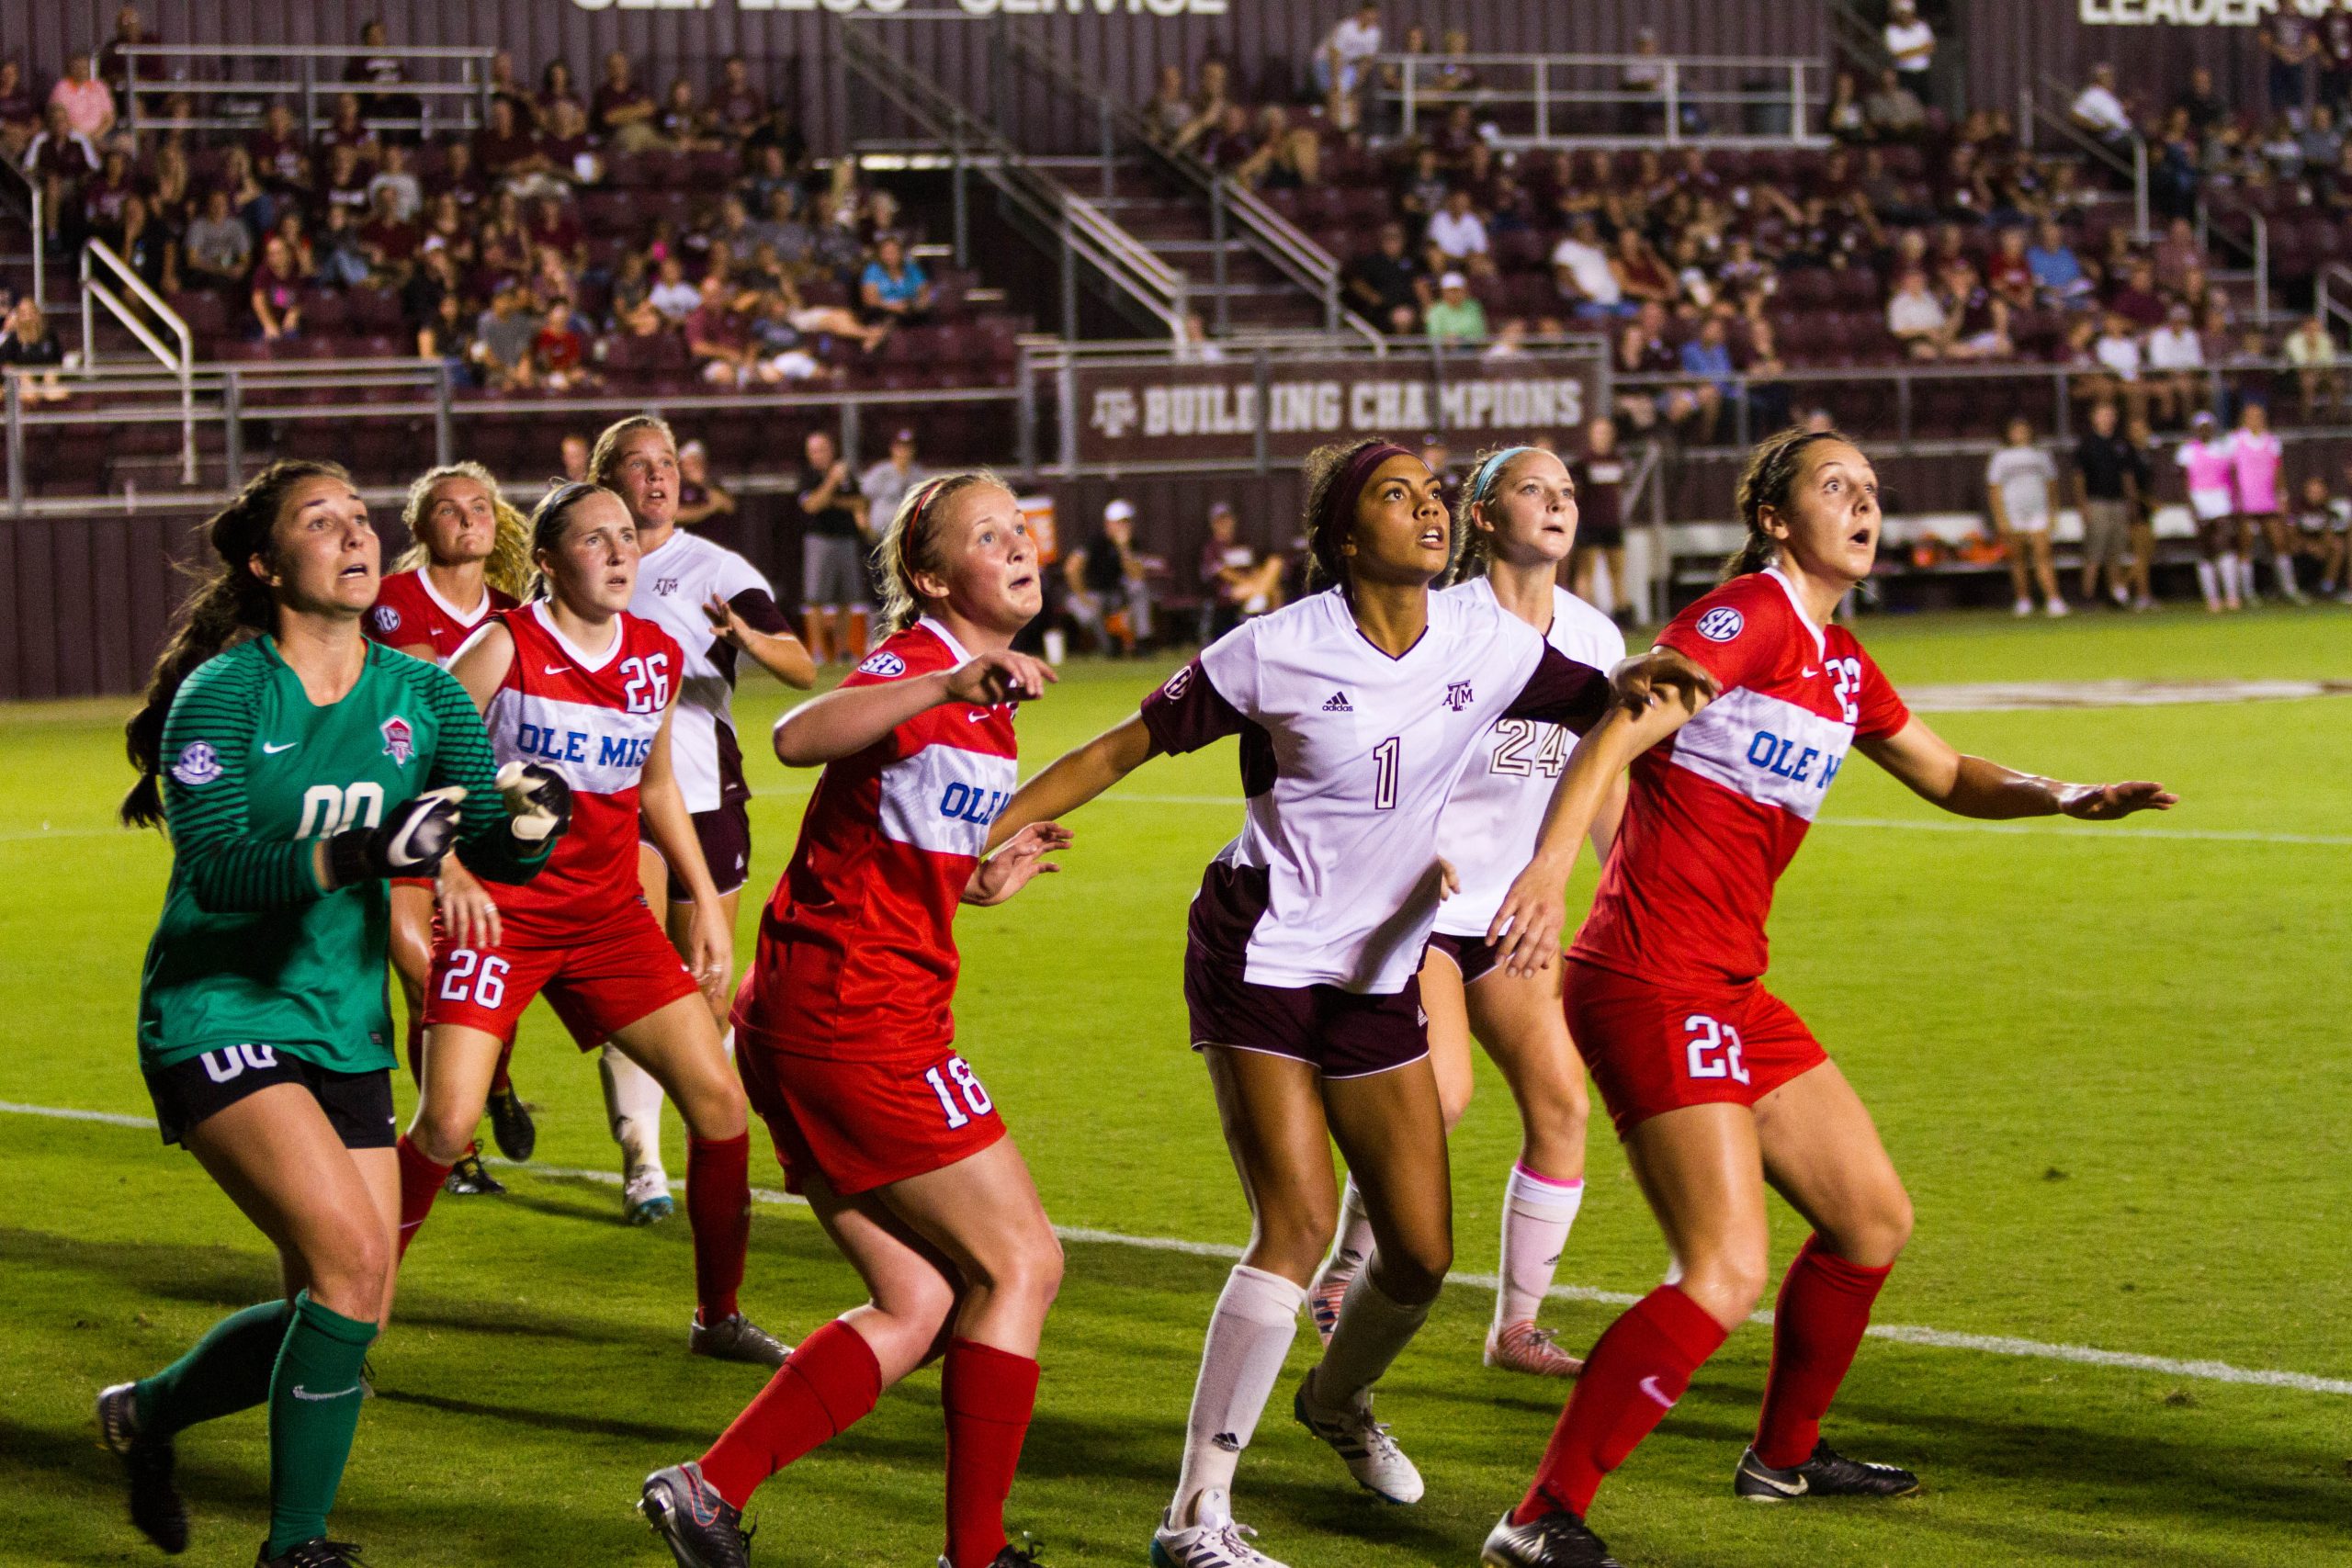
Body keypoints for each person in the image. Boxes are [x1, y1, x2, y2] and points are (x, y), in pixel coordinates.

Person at [1477, 426, 2177, 1568]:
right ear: (1773, 517)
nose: (1862, 503)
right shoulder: (1747, 616)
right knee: (1721, 1272)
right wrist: (1550, 870)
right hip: (1650, 977)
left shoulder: (1839, 664)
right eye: (1833, 485)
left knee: (1868, 1219)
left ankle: (1783, 1458)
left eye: (1871, 488)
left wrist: (2062, 795)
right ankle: (1540, 1514)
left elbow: (1947, 773)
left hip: (1729, 984)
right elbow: (1621, 725)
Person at [982, 439, 1684, 1568]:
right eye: (1394, 498)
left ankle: (1335, 1405)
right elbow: (1125, 745)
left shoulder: (1487, 639)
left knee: (1415, 1254)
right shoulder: (1275, 648)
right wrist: (993, 827)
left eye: (1431, 495)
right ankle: (1195, 1516)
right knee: (1301, 1224)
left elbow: (1604, 703)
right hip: (1259, 950)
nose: (1427, 510)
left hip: (1380, 965)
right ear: (1346, 539)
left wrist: (1656, 680)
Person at [100, 459, 562, 1568]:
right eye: (322, 521)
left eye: (360, 517)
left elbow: (486, 840)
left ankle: (149, 1416)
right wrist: (363, 851)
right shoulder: (226, 693)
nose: (354, 534)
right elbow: (215, 869)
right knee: (353, 1268)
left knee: (351, 1305)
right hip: (217, 1011)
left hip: (339, 1023)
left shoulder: (425, 695)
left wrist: (530, 821)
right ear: (267, 565)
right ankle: (295, 1548)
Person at [639, 471, 1071, 1568]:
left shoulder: (973, 690)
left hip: (816, 1011)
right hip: (859, 1020)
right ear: (928, 576)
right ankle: (974, 1556)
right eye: (987, 535)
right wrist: (943, 682)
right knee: (1021, 1266)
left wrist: (972, 881)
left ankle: (706, 1490)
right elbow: (797, 733)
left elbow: (888, 831)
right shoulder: (921, 665)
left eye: (1019, 528)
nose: (1018, 544)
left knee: (920, 1297)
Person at [393, 479, 789, 1368]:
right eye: (594, 539)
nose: (619, 552)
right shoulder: (503, 647)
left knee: (722, 1105)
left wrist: (705, 906)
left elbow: (654, 788)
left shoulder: (653, 653)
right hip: (503, 917)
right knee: (446, 1124)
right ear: (545, 559)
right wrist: (450, 867)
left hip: (609, 921)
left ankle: (717, 1318)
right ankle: (350, 1308)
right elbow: (411, 766)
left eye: (626, 537)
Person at [1306, 446, 1626, 1382]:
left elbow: (1600, 779)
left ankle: (1516, 1327)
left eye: (1568, 492)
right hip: (1420, 908)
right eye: (1534, 489)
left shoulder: (1595, 637)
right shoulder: (1437, 621)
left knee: (1563, 1102)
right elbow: (1376, 745)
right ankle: (1342, 1273)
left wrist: (1627, 892)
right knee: (1438, 1098)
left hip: (1514, 912)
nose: (1559, 504)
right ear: (1481, 517)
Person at [593, 416, 816, 1225]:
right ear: (605, 478)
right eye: (638, 464)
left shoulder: (716, 568)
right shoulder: (585, 563)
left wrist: (747, 635)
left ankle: (704, 1145)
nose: (658, 476)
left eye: (668, 463)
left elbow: (801, 666)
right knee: (635, 977)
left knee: (707, 990)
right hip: (614, 798)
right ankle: (642, 1159)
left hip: (703, 792)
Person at [364, 463, 537, 1194]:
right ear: (419, 525)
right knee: (423, 975)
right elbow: (433, 698)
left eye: (479, 507)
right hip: (404, 807)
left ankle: (494, 1081)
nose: (468, 519)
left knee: (490, 968)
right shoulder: (394, 601)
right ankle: (458, 1143)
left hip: (485, 817)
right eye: (448, 508)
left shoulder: (515, 609)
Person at [797, 428, 870, 664]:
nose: (817, 455)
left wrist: (832, 499)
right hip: (819, 540)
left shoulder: (846, 474)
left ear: (831, 450)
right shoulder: (809, 476)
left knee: (846, 598)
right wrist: (831, 483)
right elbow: (812, 505)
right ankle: (818, 651)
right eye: (813, 451)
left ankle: (842, 650)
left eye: (821, 450)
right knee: (816, 598)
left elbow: (860, 501)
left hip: (846, 539)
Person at [1986, 418, 2067, 617]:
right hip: (2014, 512)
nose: (2020, 433)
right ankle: (2023, 599)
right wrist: (2000, 518)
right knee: (2018, 558)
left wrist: (2052, 513)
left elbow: (2052, 486)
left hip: (2037, 511)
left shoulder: (2041, 454)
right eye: (2016, 429)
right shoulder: (2001, 457)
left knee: (2043, 554)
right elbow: (1995, 489)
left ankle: (2053, 599)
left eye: (2024, 429)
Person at [2073, 401, 2143, 611]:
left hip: (2118, 502)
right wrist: (2082, 504)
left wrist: (2131, 501)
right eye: (2102, 414)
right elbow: (2079, 478)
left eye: (2110, 414)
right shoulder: (2087, 444)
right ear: (2094, 418)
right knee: (2095, 550)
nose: (2107, 419)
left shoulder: (2121, 443)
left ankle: (2116, 595)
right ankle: (2087, 595)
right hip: (2097, 502)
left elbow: (2127, 475)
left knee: (2116, 551)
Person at [2229, 401, 2301, 604]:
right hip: (2246, 503)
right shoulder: (2236, 440)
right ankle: (2248, 593)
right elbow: (2231, 472)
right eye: (2251, 416)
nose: (2256, 420)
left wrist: (2282, 496)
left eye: (2259, 416)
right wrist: (2236, 498)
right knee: (2246, 545)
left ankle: (2288, 588)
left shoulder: (2271, 441)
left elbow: (2279, 471)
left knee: (2279, 542)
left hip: (2267, 501)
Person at [1064, 499, 1155, 656]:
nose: (1124, 527)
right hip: (1093, 593)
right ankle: (1110, 647)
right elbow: (1071, 568)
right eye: (1119, 523)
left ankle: (1142, 642)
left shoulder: (1131, 544)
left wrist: (1124, 549)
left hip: (1116, 595)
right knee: (1087, 611)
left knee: (1140, 590)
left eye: (1126, 522)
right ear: (1108, 524)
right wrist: (1083, 595)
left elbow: (1137, 577)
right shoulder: (1095, 541)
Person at [2177, 411, 2241, 613]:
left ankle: (2231, 595)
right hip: (2199, 499)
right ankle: (2212, 597)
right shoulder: (2187, 451)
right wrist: (2192, 508)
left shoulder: (2222, 448)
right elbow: (2184, 482)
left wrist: (2234, 501)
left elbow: (2231, 477)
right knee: (2206, 548)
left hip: (2220, 498)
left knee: (2223, 543)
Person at [1569, 418, 1629, 622]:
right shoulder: (1583, 463)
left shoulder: (1617, 460)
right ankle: (1585, 615)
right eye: (1599, 432)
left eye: (1606, 432)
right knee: (1586, 572)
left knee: (1618, 571)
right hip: (1590, 524)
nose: (1603, 437)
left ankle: (1622, 614)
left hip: (1612, 523)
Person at [860, 427, 930, 541]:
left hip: (907, 536)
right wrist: (865, 523)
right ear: (893, 448)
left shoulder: (918, 475)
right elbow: (863, 498)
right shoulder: (880, 472)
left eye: (908, 448)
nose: (904, 452)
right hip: (880, 536)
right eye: (900, 447)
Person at [675, 439, 738, 527]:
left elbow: (729, 506)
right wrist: (709, 508)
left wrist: (703, 483)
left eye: (696, 462)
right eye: (689, 463)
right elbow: (676, 515)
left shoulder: (711, 484)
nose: (692, 467)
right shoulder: (676, 487)